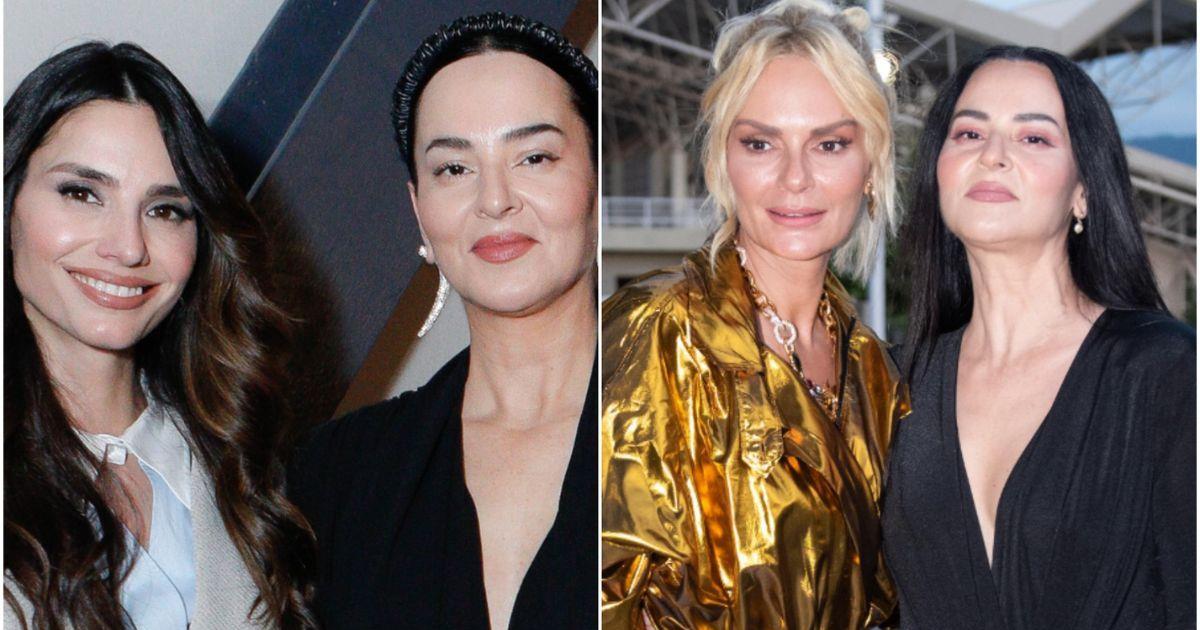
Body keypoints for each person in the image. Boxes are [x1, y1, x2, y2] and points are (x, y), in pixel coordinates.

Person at [600, 1, 907, 627]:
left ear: (871, 166)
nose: (795, 178)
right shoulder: (655, 332)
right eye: (761, 143)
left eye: (829, 144)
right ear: (724, 161)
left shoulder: (876, 370)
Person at [287, 12, 598, 630]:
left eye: (534, 157)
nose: (494, 199)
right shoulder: (338, 476)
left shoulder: (715, 429)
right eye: (454, 169)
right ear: (419, 210)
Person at [4, 42, 316, 629]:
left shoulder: (241, 462)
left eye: (166, 209)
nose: (128, 247)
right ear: (9, 204)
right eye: (81, 193)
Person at [883, 46, 1195, 629]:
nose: (993, 156)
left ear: (1083, 191)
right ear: (937, 172)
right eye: (969, 133)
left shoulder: (1165, 371)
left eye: (1033, 138)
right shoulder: (891, 386)